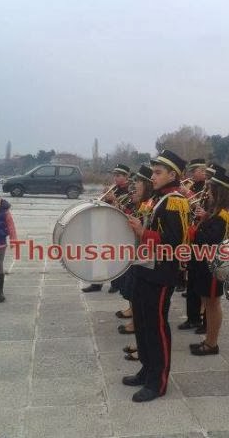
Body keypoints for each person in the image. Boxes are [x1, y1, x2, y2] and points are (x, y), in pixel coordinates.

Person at [123, 149, 189, 402]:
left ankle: (158, 381)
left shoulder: (176, 201)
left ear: (173, 174)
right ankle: (147, 369)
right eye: (153, 171)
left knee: (156, 325)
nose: (153, 176)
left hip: (161, 274)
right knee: (142, 322)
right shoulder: (159, 198)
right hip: (145, 267)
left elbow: (177, 241)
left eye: (158, 172)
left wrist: (143, 232)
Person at [187, 170, 229, 355]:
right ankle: (208, 339)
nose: (207, 192)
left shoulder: (225, 213)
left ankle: (212, 343)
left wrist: (194, 232)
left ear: (218, 191)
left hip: (214, 263)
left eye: (210, 188)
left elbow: (213, 238)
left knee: (213, 303)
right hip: (205, 262)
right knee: (208, 302)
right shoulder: (217, 211)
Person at [118, 165, 154, 359]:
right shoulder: (145, 202)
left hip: (147, 260)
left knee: (148, 310)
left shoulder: (153, 202)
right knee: (138, 300)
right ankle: (141, 345)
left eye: (139, 181)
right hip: (138, 256)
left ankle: (144, 349)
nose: (135, 185)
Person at [82, 163, 131, 293]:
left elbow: (127, 211)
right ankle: (97, 283)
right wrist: (102, 199)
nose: (115, 178)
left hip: (118, 228)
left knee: (115, 256)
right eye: (114, 175)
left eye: (119, 175)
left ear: (127, 176)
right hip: (105, 224)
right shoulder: (113, 188)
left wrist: (114, 200)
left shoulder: (130, 190)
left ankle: (116, 284)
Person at [178, 158, 210, 330]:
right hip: (192, 234)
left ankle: (202, 317)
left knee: (201, 284)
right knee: (192, 281)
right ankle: (192, 317)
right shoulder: (194, 186)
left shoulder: (207, 191)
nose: (191, 174)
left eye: (195, 170)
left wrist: (188, 195)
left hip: (203, 240)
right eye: (202, 171)